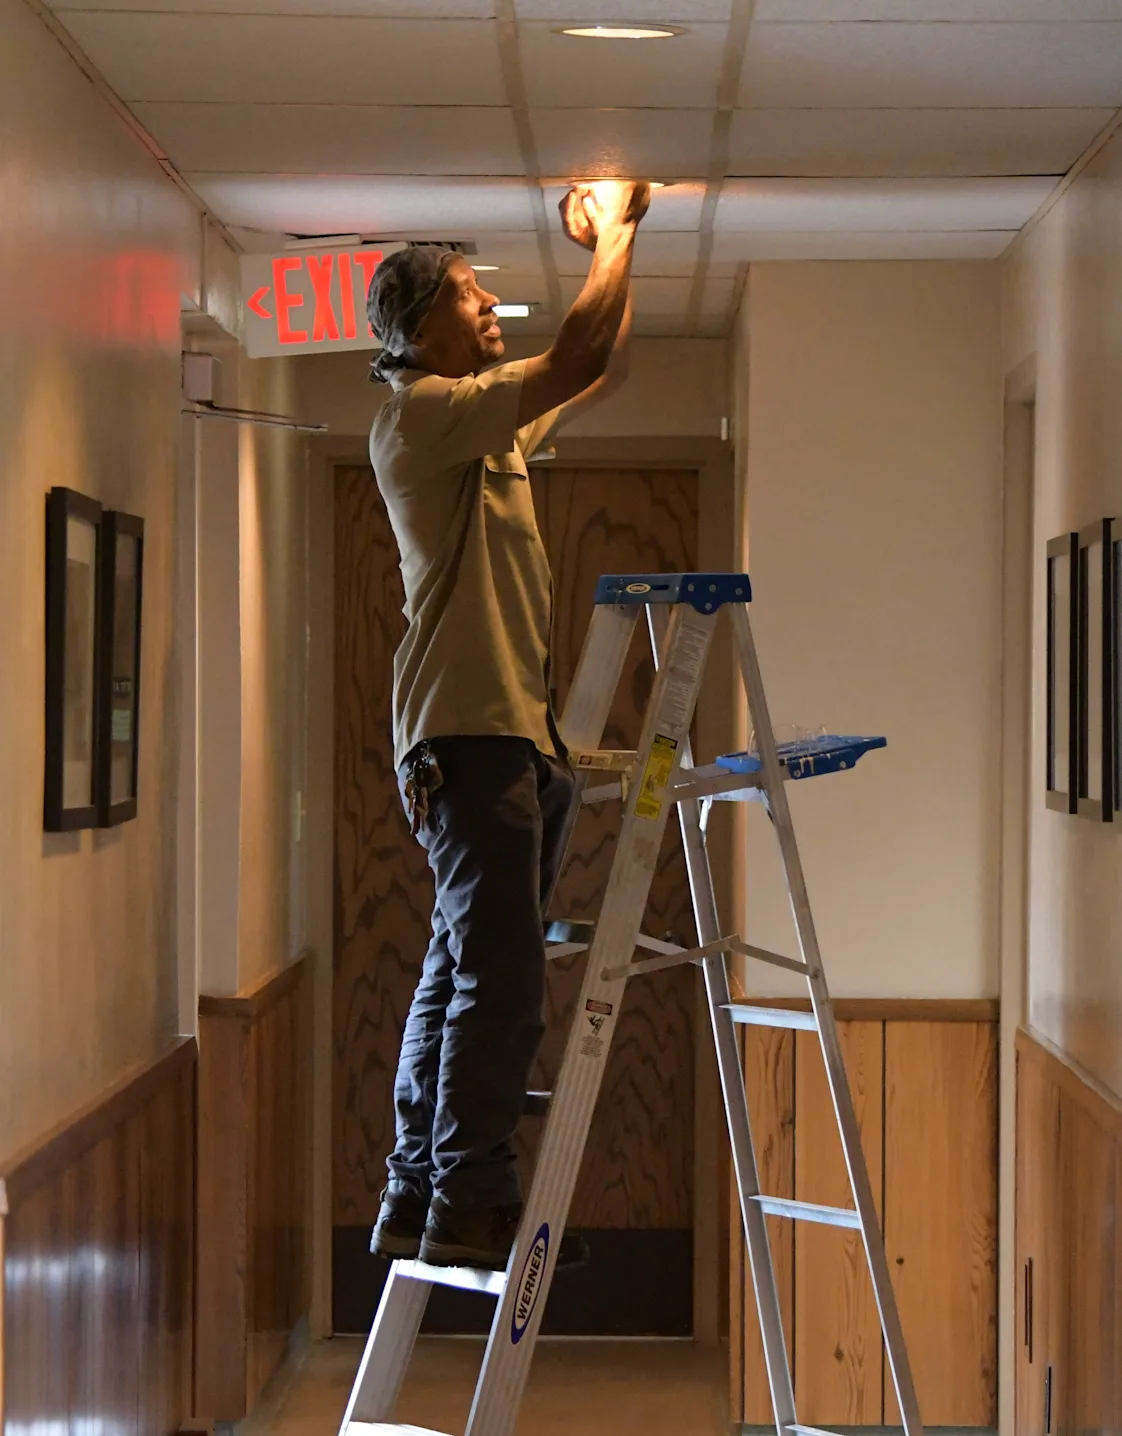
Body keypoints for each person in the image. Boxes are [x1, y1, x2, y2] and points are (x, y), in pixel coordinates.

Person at [365, 180, 651, 1271]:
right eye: (468, 293)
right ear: (414, 328)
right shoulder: (424, 414)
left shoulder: (477, 424)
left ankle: (418, 1188)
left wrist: (622, 246)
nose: (489, 306)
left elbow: (598, 362)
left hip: (501, 735)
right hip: (468, 733)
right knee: (500, 976)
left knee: (461, 963)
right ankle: (472, 1197)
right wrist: (615, 227)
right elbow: (576, 355)